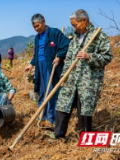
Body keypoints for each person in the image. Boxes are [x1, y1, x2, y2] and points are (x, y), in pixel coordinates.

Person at [45, 9, 113, 139]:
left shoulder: (99, 36)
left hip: (88, 81)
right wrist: (63, 75)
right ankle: (58, 135)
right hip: (72, 79)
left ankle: (85, 138)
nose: (74, 28)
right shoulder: (75, 38)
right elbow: (70, 58)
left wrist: (89, 56)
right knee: (63, 105)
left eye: (75, 25)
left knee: (84, 109)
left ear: (84, 20)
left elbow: (107, 57)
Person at [25, 14, 70, 125]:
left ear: (43, 21)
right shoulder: (37, 37)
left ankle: (52, 117)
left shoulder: (54, 33)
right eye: (34, 27)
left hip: (51, 66)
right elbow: (36, 54)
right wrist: (31, 65)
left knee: (50, 91)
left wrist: (59, 57)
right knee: (41, 91)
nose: (36, 28)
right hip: (39, 67)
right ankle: (41, 114)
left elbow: (67, 45)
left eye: (38, 25)